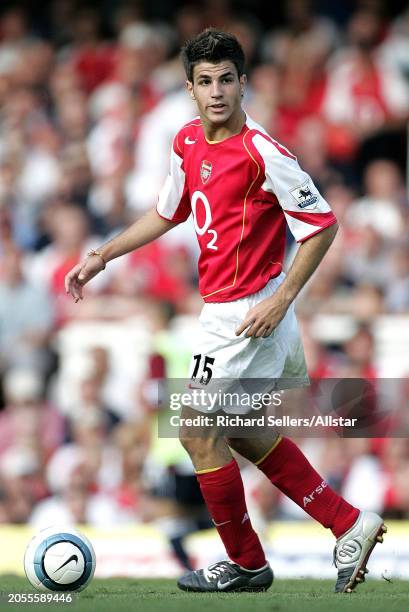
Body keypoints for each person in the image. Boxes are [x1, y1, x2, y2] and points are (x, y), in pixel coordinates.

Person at [65, 29, 387, 594]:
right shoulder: (187, 141)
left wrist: (281, 297)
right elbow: (169, 212)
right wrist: (102, 255)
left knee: (193, 426)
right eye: (205, 81)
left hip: (249, 313)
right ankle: (348, 523)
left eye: (227, 80)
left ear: (244, 84)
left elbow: (322, 225)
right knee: (238, 429)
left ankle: (246, 563)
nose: (217, 92)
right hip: (227, 313)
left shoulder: (264, 152)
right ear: (190, 88)